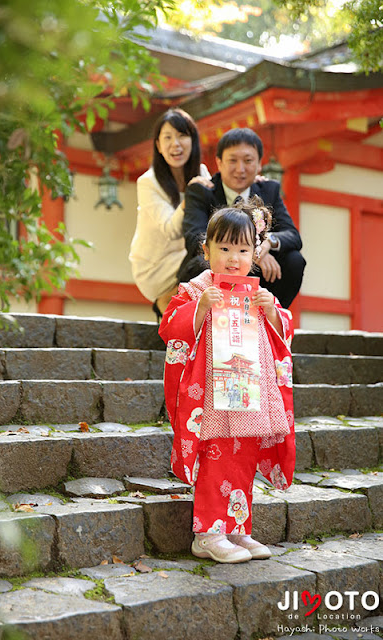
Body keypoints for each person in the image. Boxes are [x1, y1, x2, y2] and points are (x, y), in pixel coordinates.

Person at [159, 198, 296, 563]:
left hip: (246, 388)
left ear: (255, 254)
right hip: (209, 396)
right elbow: (169, 326)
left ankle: (238, 528)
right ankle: (207, 533)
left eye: (243, 249)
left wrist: (272, 313)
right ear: (206, 250)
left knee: (243, 454)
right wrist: (202, 306)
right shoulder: (195, 290)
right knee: (215, 454)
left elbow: (285, 331)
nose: (233, 257)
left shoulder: (259, 295)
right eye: (224, 248)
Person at [178, 127, 306, 308]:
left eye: (248, 161)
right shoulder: (202, 191)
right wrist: (237, 253)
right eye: (232, 160)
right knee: (201, 263)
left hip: (255, 271)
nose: (240, 169)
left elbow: (293, 235)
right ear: (219, 162)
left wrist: (264, 245)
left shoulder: (269, 190)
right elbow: (194, 239)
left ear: (259, 164)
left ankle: (269, 319)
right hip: (214, 266)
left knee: (294, 261)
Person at [129, 108, 212, 319]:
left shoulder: (201, 172)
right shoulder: (148, 182)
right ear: (158, 145)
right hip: (155, 265)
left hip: (185, 255)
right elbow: (170, 230)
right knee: (208, 260)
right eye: (167, 137)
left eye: (182, 135)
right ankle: (166, 302)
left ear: (193, 140)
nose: (175, 144)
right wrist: (191, 196)